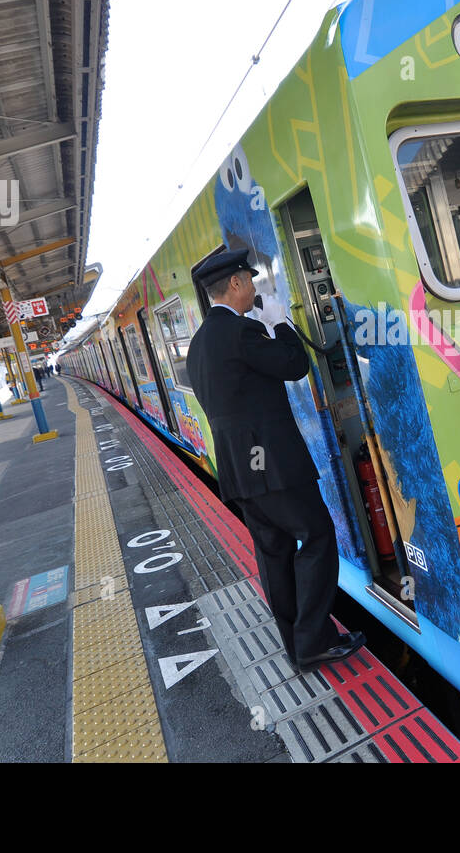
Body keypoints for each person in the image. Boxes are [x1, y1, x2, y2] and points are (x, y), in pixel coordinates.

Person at [185, 248, 364, 670]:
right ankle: (315, 640)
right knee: (317, 535)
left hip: (237, 467)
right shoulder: (240, 333)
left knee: (274, 552)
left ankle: (298, 645)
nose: (252, 288)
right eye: (249, 280)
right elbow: (294, 364)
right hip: (268, 464)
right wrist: (281, 323)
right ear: (236, 284)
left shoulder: (198, 345)